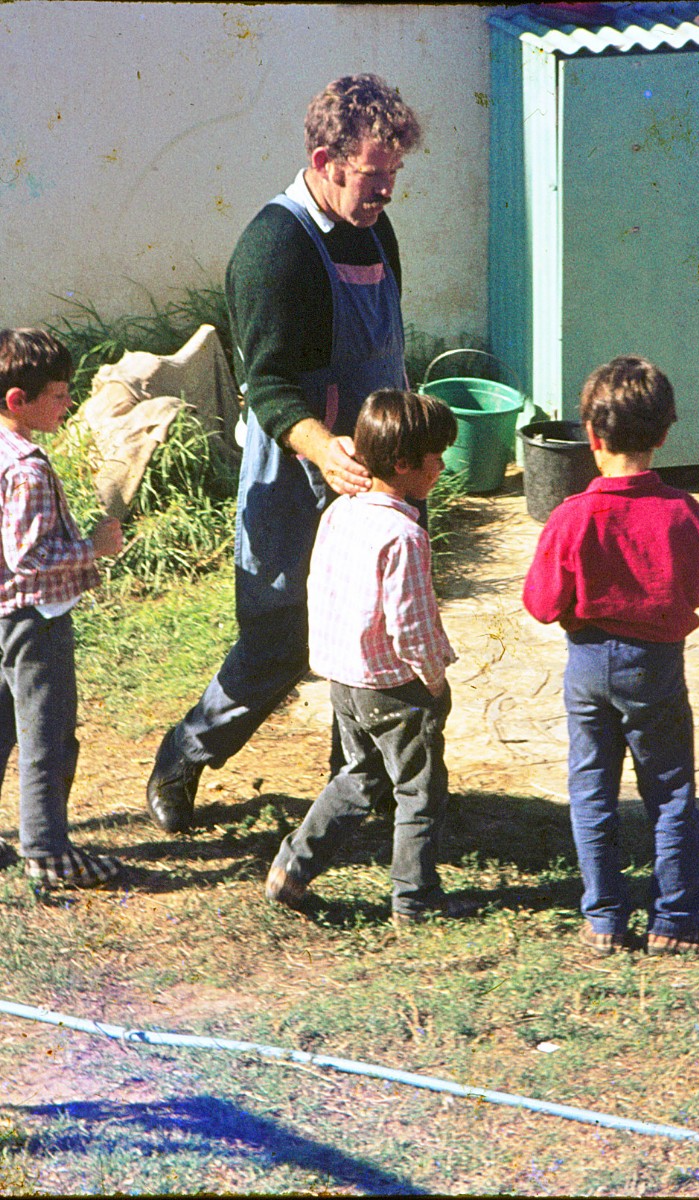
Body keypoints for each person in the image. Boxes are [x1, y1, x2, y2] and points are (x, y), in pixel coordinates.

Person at [146, 75, 423, 834]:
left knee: (370, 638)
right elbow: (265, 384)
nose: (385, 193)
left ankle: (353, 791)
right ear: (325, 157)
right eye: (373, 176)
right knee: (277, 638)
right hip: (295, 469)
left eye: (394, 177)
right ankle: (184, 756)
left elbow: (385, 345)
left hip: (375, 470)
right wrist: (322, 448)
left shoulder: (373, 227)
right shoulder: (273, 248)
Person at [522, 355, 699, 961]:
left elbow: (541, 603)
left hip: (588, 667)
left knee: (592, 791)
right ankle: (675, 921)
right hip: (658, 667)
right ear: (666, 433)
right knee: (670, 793)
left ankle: (604, 920)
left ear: (590, 436)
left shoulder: (569, 518)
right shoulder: (685, 514)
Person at [265, 388, 473, 923]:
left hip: (345, 679)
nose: (442, 465)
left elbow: (323, 588)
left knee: (358, 777)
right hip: (394, 687)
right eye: (436, 456)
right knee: (419, 792)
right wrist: (433, 681)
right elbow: (413, 626)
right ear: (403, 464)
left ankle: (291, 868)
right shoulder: (405, 534)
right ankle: (415, 900)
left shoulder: (340, 512)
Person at [0, 329, 123, 889]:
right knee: (47, 736)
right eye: (57, 394)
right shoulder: (24, 466)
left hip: (3, 616)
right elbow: (28, 557)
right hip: (34, 619)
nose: (68, 403)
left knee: (3, 727)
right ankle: (47, 854)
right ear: (16, 401)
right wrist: (93, 548)